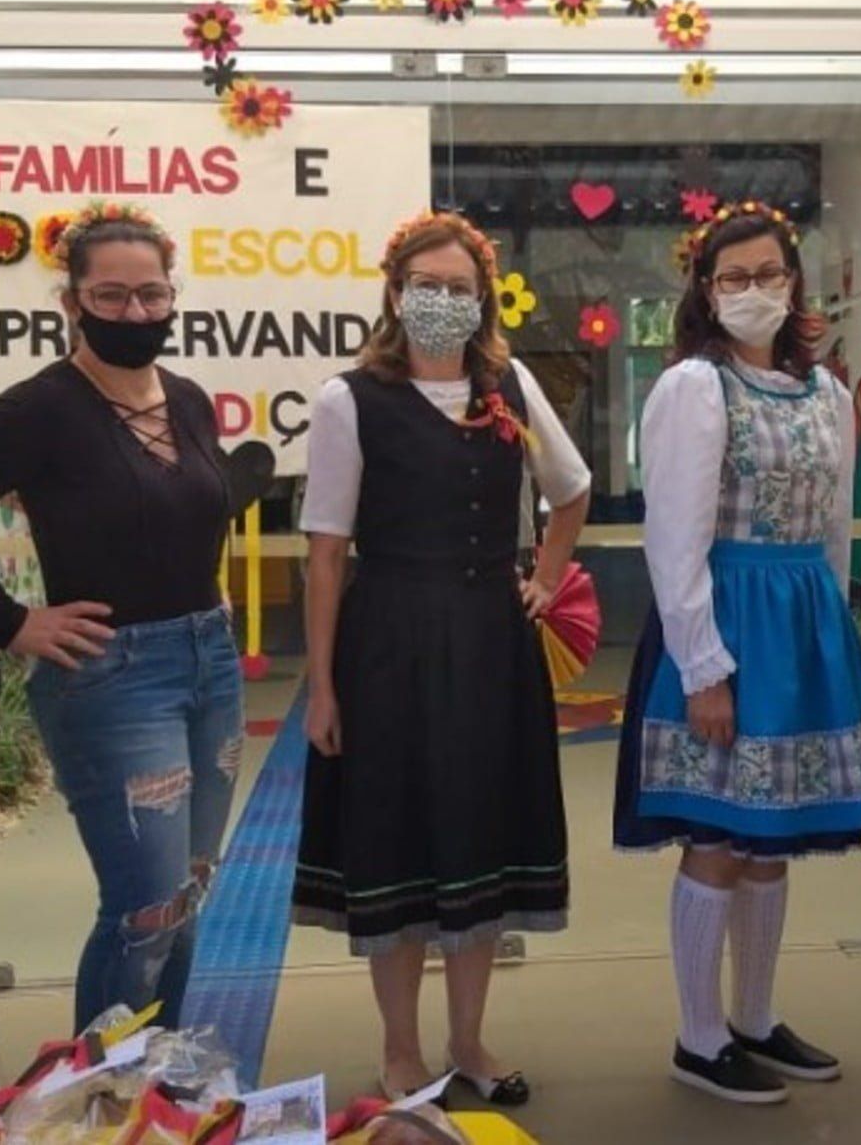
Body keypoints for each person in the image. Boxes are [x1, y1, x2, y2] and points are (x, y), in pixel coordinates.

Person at [295, 211, 591, 1107]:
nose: (443, 301)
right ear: (394, 293)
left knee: (480, 836)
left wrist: (546, 576)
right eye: (426, 286)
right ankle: (400, 1049)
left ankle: (467, 1040)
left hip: (491, 640)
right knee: (398, 840)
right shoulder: (349, 399)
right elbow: (326, 552)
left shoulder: (510, 384)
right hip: (388, 640)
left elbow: (571, 489)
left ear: (483, 297)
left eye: (460, 288)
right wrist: (322, 686)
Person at [613, 201, 861, 1106]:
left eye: (769, 273)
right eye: (734, 277)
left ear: (794, 281)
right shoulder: (697, 387)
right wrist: (703, 667)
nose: (754, 290)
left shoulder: (828, 394)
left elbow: (835, 530)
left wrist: (832, 640)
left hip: (801, 624)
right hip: (730, 622)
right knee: (720, 836)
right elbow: (673, 537)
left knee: (772, 842)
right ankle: (699, 1038)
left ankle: (756, 1018)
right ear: (706, 289)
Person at [0, 202, 241, 1030]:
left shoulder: (188, 400)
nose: (136, 312)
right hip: (112, 679)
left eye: (152, 295)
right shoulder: (39, 410)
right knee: (144, 907)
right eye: (111, 296)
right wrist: (11, 622)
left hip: (210, 665)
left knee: (187, 893)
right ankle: (101, 1091)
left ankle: (160, 1079)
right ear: (71, 302)